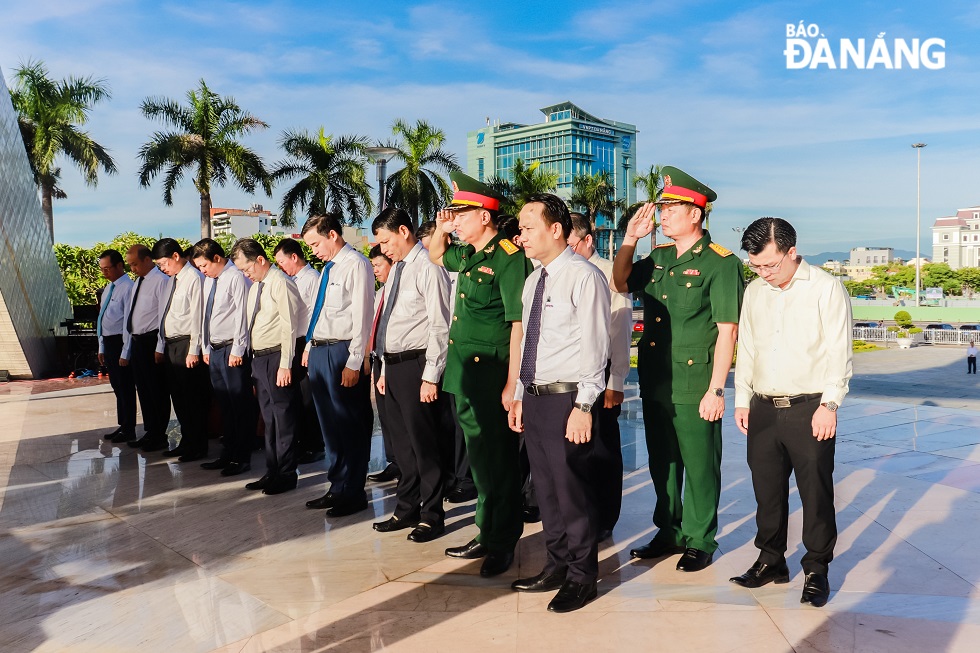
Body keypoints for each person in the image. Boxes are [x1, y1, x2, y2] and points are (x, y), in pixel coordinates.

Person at [611, 166, 743, 572]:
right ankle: (668, 531)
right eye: (663, 207)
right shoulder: (660, 257)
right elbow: (620, 283)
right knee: (662, 462)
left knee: (700, 463)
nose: (663, 215)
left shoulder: (721, 264)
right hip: (656, 379)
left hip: (694, 382)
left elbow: (728, 331)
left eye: (672, 207)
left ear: (696, 215)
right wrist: (630, 239)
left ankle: (700, 538)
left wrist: (716, 389)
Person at [730, 217, 852, 609]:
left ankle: (816, 568)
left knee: (815, 492)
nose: (764, 273)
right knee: (766, 491)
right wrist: (742, 400)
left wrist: (830, 404)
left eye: (770, 265)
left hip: (810, 407)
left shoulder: (825, 288)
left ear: (791, 252)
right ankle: (770, 560)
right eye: (756, 266)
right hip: (763, 407)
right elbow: (746, 348)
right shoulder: (754, 291)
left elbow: (839, 350)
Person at [507, 194, 609, 613]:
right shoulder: (535, 280)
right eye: (520, 227)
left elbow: (596, 344)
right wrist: (518, 394)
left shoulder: (584, 277)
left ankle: (583, 577)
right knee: (545, 491)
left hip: (569, 398)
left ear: (556, 229)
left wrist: (584, 406)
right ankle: (556, 564)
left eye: (529, 228)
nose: (521, 235)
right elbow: (531, 343)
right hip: (535, 397)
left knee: (573, 493)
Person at [429, 171, 533, 578]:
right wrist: (441, 228)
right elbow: (437, 253)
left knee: (500, 460)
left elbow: (518, 325)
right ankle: (486, 531)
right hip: (464, 375)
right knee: (479, 460)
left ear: (485, 216)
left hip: (492, 375)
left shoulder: (508, 258)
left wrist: (513, 382)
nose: (453, 219)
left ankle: (504, 539)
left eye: (460, 212)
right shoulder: (469, 253)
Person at [371, 207, 452, 542]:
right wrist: (385, 368)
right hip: (393, 367)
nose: (384, 249)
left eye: (387, 240)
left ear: (404, 231)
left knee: (425, 445)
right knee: (403, 447)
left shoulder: (428, 268)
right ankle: (406, 510)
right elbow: (389, 323)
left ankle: (432, 516)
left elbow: (440, 325)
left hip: (419, 365)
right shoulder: (399, 271)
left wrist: (431, 376)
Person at [301, 213, 375, 517]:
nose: (314, 251)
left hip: (342, 352)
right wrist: (309, 346)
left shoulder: (357, 264)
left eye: (316, 243)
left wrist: (355, 361)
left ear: (332, 235)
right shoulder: (327, 269)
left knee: (350, 424)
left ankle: (354, 491)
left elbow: (362, 315)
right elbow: (319, 312)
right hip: (320, 350)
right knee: (329, 427)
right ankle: (337, 485)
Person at [568, 212, 632, 540]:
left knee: (604, 449)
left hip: (603, 370)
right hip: (571, 371)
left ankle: (605, 517)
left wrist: (615, 381)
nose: (567, 249)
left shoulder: (608, 274)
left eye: (571, 244)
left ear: (587, 240)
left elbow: (620, 327)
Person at [231, 238, 306, 495]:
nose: (246, 274)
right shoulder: (257, 287)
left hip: (277, 357)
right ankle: (272, 470)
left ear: (260, 260)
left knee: (283, 417)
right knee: (270, 418)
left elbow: (290, 326)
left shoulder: (281, 283)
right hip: (260, 358)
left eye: (247, 269)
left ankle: (286, 473)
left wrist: (286, 364)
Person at [417, 220, 477, 504]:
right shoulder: (434, 271)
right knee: (448, 421)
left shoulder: (463, 267)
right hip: (443, 355)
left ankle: (467, 479)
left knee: (465, 421)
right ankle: (453, 474)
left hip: (465, 353)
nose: (431, 257)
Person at [191, 239, 258, 477]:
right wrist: (205, 347)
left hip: (232, 349)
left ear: (217, 259)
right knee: (225, 405)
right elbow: (205, 315)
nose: (202, 271)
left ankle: (242, 457)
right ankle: (227, 452)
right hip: (216, 349)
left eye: (204, 266)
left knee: (240, 405)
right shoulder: (210, 280)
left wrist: (239, 349)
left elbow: (242, 314)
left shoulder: (235, 277)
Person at [151, 238, 212, 462]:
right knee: (178, 397)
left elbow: (197, 317)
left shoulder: (194, 278)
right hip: (171, 344)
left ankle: (198, 446)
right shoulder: (172, 280)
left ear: (176, 256)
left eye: (163, 263)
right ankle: (186, 441)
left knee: (193, 398)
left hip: (187, 344)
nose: (162, 269)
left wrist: (194, 350)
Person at [273, 238, 325, 464]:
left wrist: (310, 345)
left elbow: (315, 313)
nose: (280, 267)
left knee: (307, 397)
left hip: (306, 340)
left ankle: (315, 445)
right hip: (294, 341)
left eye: (282, 261)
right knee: (296, 397)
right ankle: (302, 442)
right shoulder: (291, 280)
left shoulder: (310, 279)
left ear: (294, 257)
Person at [121, 245, 172, 451]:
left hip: (152, 341)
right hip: (138, 341)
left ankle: (159, 434)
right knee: (143, 390)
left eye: (134, 264)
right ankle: (150, 431)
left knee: (156, 390)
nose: (132, 268)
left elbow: (162, 316)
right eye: (130, 265)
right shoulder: (137, 283)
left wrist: (160, 345)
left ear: (147, 260)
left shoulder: (161, 281)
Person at [366, 245, 401, 484]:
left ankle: (405, 464)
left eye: (378, 265)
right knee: (386, 416)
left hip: (394, 361)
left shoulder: (398, 291)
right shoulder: (380, 294)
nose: (375, 271)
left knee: (399, 418)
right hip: (378, 358)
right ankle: (394, 462)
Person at [96, 249, 136, 443]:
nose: (105, 273)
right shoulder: (108, 288)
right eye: (102, 269)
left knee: (125, 385)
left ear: (120, 265)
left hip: (121, 340)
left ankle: (129, 428)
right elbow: (103, 318)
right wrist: (101, 346)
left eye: (107, 268)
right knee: (117, 386)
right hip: (109, 341)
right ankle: (123, 425)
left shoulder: (128, 287)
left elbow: (128, 321)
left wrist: (125, 351)